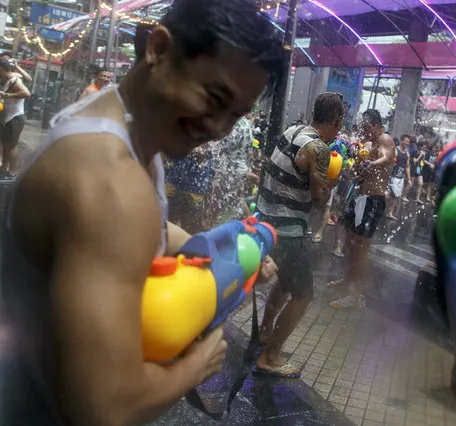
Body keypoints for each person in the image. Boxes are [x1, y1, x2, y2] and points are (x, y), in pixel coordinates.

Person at [0, 1, 287, 424]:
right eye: (214, 98)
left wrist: (218, 251)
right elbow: (105, 409)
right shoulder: (111, 185)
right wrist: (199, 364)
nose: (218, 128)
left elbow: (136, 225)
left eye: (236, 115)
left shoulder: (109, 122)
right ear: (157, 49)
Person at [255, 93, 344, 378]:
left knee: (283, 283)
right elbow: (320, 199)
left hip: (267, 222)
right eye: (340, 123)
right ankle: (270, 357)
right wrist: (334, 180)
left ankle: (265, 332)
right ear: (334, 120)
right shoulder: (317, 148)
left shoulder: (294, 130)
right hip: (288, 228)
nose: (340, 129)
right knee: (304, 294)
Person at [328, 109, 395, 308]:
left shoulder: (385, 139)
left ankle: (355, 295)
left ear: (375, 125)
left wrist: (370, 163)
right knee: (349, 242)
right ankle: (347, 280)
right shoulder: (369, 143)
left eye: (367, 128)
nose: (364, 133)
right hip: (361, 198)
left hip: (373, 200)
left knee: (361, 249)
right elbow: (361, 171)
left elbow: (386, 157)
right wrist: (356, 169)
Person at [0, 57, 30, 178]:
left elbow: (26, 93)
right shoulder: (6, 79)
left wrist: (6, 95)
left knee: (11, 147)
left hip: (15, 118)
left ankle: (15, 173)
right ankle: (5, 169)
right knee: (6, 145)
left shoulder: (14, 79)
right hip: (9, 118)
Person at [386, 134, 411, 220]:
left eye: (408, 142)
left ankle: (390, 212)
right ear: (401, 141)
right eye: (406, 141)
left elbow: (407, 166)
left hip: (401, 177)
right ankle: (387, 210)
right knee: (392, 195)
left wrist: (409, 179)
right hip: (393, 176)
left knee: (396, 196)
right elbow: (389, 163)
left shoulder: (407, 153)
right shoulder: (395, 150)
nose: (407, 143)